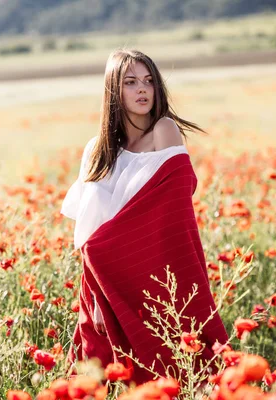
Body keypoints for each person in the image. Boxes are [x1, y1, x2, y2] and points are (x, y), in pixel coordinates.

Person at [60, 48, 229, 384]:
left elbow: (171, 204)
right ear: (113, 90)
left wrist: (105, 247)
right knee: (100, 365)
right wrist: (97, 274)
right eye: (131, 82)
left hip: (153, 267)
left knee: (171, 355)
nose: (142, 89)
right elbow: (88, 223)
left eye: (149, 81)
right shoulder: (96, 150)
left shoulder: (163, 132)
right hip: (102, 274)